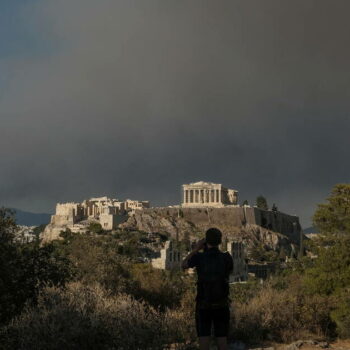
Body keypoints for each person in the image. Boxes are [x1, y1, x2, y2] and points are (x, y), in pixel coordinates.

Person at [182, 228, 233, 350]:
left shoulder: (199, 257)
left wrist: (196, 249)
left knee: (204, 339)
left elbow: (184, 264)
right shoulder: (227, 257)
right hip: (222, 304)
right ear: (220, 241)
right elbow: (228, 271)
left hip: (203, 305)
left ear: (206, 241)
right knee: (222, 340)